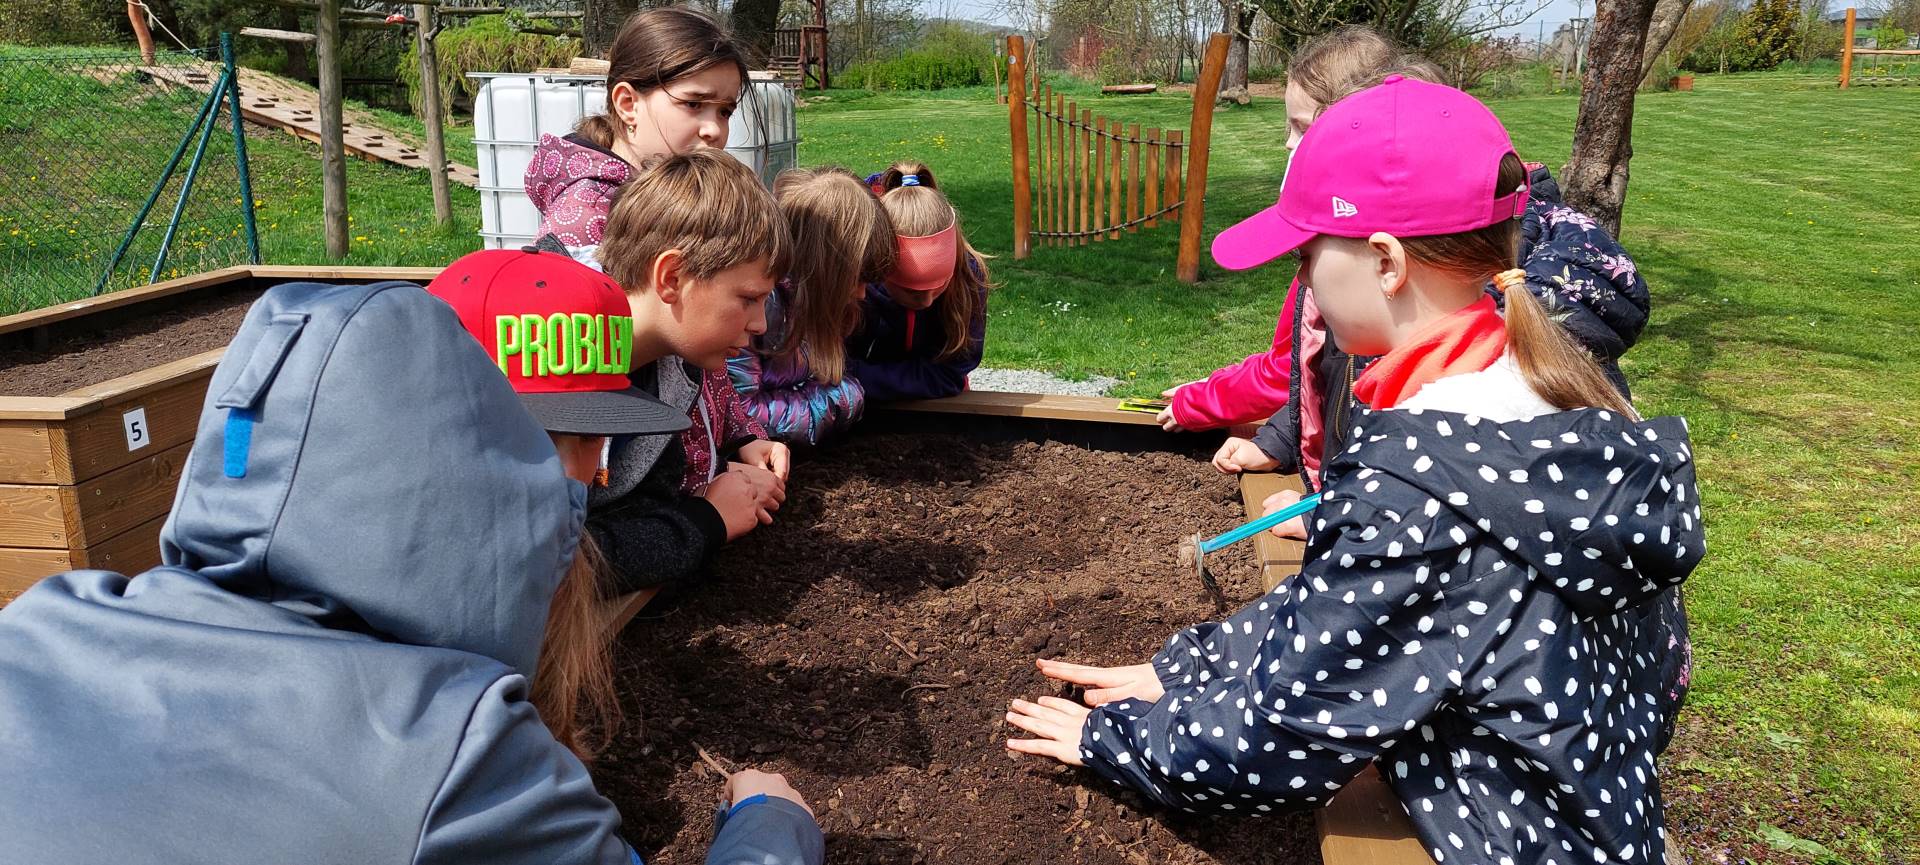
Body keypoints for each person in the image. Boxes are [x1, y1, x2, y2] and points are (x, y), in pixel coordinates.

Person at [1006, 77, 1701, 865]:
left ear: (1385, 262)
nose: (1303, 276)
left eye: (1307, 253)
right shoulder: (1550, 388)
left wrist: (1115, 737)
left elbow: (1282, 735)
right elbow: (1352, 608)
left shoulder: (1420, 486)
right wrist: (1187, 667)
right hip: (1594, 823)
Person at [0, 278, 822, 865]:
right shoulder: (461, 764)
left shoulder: (41, 622)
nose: (594, 478)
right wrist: (770, 826)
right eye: (559, 445)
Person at [1162, 26, 1650, 477]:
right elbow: (1319, 376)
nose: (1290, 145)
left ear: (1386, 263)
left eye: (1305, 128)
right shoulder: (1425, 313)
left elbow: (1421, 491)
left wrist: (1343, 512)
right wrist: (1287, 447)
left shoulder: (1454, 411)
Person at [523, 5, 787, 494]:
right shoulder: (585, 225)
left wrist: (740, 434)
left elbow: (696, 335)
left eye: (725, 110)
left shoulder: (669, 195)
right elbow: (590, 408)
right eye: (694, 104)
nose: (715, 129)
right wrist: (693, 504)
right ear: (628, 103)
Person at [589, 149, 789, 607]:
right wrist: (706, 519)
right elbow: (556, 561)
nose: (760, 323)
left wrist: (720, 479)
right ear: (672, 277)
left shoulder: (671, 367)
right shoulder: (558, 377)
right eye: (748, 298)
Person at [728, 167, 894, 444]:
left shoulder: (821, 304)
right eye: (855, 280)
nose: (862, 294)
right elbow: (740, 414)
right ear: (822, 271)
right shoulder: (759, 310)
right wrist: (843, 399)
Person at [846, 162, 992, 402]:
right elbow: (834, 364)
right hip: (856, 401)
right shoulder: (857, 282)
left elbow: (950, 374)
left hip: (939, 401)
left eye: (938, 286)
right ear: (880, 269)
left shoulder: (969, 276)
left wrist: (857, 378)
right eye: (910, 291)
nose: (926, 301)